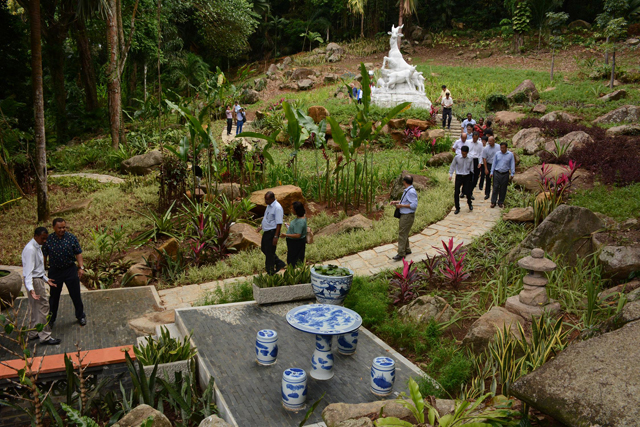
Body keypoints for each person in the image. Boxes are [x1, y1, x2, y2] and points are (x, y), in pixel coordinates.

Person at [43, 218, 86, 327]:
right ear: (54, 228)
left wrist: (81, 267)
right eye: (59, 228)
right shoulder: (48, 240)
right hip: (55, 272)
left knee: (75, 294)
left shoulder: (71, 238)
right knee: (54, 297)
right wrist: (42, 271)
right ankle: (51, 319)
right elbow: (44, 255)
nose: (62, 229)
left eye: (64, 227)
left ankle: (80, 316)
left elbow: (78, 253)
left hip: (70, 270)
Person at [22, 227, 60, 345]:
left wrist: (46, 279)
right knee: (43, 307)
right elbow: (28, 272)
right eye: (43, 238)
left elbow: (37, 269)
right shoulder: (31, 250)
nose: (45, 241)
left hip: (37, 279)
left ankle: (33, 333)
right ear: (36, 236)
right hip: (34, 282)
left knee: (35, 308)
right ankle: (45, 336)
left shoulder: (37, 247)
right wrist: (31, 289)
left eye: (46, 239)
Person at [257, 191, 286, 275]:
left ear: (272, 198)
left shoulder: (277, 207)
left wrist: (276, 236)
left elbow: (279, 223)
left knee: (270, 252)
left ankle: (270, 271)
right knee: (264, 249)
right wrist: (261, 227)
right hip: (266, 231)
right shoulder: (269, 206)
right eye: (265, 199)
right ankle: (279, 263)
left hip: (272, 232)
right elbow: (267, 218)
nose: (265, 201)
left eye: (267, 199)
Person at [391, 175, 418, 261]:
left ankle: (401, 253)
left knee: (402, 234)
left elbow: (414, 205)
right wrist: (396, 202)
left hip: (407, 216)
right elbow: (407, 201)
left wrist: (401, 205)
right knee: (404, 232)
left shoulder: (411, 192)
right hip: (405, 215)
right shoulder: (408, 190)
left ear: (405, 182)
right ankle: (407, 249)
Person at [449, 145, 474, 214]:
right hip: (459, 176)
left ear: (467, 152)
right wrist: (450, 174)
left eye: (465, 154)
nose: (464, 155)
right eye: (463, 153)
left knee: (468, 192)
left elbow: (472, 168)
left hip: (467, 176)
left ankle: (470, 203)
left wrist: (472, 176)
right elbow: (452, 166)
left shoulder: (470, 158)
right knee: (456, 192)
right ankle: (457, 207)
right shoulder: (457, 158)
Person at [281, 201, 307, 267]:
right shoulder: (300, 219)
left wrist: (285, 235)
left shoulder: (300, 222)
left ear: (297, 211)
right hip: (295, 243)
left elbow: (298, 235)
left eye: (293, 209)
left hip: (295, 244)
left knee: (293, 260)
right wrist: (290, 226)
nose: (292, 210)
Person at [490, 142, 516, 208]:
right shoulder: (497, 154)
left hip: (505, 173)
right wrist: (491, 172)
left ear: (506, 148)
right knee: (495, 187)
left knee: (503, 188)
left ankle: (500, 202)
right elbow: (494, 163)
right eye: (501, 148)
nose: (502, 149)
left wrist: (512, 173)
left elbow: (512, 164)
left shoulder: (510, 155)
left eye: (503, 148)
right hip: (497, 172)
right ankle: (493, 202)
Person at [482, 136, 500, 200]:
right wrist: (486, 168)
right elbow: (484, 158)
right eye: (488, 141)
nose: (489, 142)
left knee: (496, 180)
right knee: (488, 180)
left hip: (497, 165)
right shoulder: (486, 149)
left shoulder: (498, 147)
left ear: (494, 141)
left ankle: (495, 194)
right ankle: (487, 194)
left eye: (491, 141)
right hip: (489, 164)